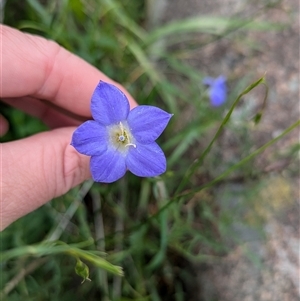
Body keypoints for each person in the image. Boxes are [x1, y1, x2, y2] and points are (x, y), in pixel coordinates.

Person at [0, 25, 137, 230]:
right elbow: (83, 138)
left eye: (123, 137)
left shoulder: (145, 136)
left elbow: (152, 159)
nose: (122, 137)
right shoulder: (108, 109)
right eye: (122, 135)